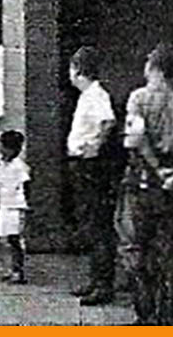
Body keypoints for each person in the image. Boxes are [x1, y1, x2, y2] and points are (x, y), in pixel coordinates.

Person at [117, 43, 173, 325]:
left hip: (142, 182)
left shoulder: (139, 99)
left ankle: (145, 315)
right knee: (170, 250)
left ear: (154, 67)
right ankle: (167, 316)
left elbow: (135, 138)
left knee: (134, 247)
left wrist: (155, 167)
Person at [66, 46, 118, 306]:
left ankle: (103, 284)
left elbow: (108, 122)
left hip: (89, 167)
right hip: (81, 165)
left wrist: (96, 144)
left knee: (98, 226)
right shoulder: (88, 96)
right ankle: (95, 279)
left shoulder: (96, 94)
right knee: (90, 224)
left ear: (77, 69)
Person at [0, 130, 30, 284]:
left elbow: (26, 184)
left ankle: (18, 271)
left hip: (16, 206)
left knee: (15, 239)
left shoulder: (19, 166)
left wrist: (26, 204)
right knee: (5, 239)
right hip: (5, 205)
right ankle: (10, 268)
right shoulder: (4, 164)